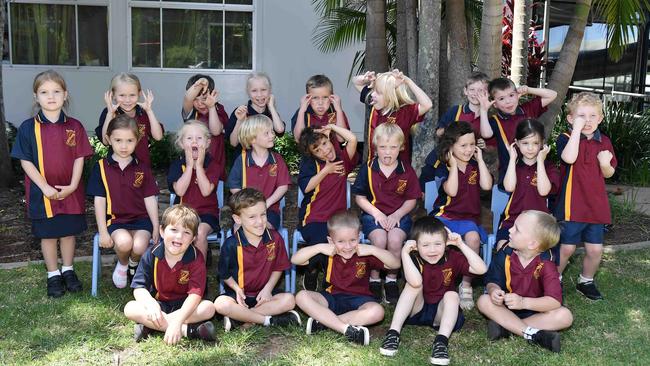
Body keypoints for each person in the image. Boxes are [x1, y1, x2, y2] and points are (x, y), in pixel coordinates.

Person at [11, 70, 93, 298]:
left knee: (68, 232)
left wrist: (74, 185)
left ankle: (68, 269)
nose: (51, 96)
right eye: (44, 92)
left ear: (65, 95)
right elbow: (24, 160)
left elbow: (80, 157)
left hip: (70, 191)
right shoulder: (29, 128)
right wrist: (44, 187)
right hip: (42, 192)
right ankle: (53, 274)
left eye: (56, 91)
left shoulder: (74, 126)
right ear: (36, 96)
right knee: (48, 235)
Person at [379, 217, 487, 365]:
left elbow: (481, 269)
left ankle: (441, 342)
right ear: (416, 246)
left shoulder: (452, 256)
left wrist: (461, 244)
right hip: (417, 310)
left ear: (446, 243)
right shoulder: (413, 257)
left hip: (442, 315)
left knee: (452, 295)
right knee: (412, 286)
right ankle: (393, 333)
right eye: (425, 245)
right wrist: (404, 253)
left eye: (438, 244)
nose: (432, 250)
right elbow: (416, 282)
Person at [292, 211, 401, 345]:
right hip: (331, 297)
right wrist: (319, 247)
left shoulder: (364, 253)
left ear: (359, 237)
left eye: (352, 240)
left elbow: (395, 263)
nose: (348, 247)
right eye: (341, 241)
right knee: (301, 296)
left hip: (360, 300)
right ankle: (344, 329)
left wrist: (374, 250)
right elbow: (295, 259)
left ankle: (324, 323)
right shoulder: (328, 253)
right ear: (331, 241)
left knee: (378, 312)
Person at [476, 210, 573, 353]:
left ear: (532, 244)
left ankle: (506, 328)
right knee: (484, 300)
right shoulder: (506, 252)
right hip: (505, 308)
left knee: (565, 316)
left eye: (517, 229)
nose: (510, 230)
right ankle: (532, 333)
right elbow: (492, 280)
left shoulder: (547, 264)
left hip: (536, 313)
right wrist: (493, 290)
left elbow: (554, 301)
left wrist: (523, 302)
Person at [554, 92, 617, 300]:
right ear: (571, 119)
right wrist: (577, 132)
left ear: (600, 119)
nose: (587, 121)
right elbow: (569, 158)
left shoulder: (604, 141)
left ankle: (586, 281)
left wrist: (605, 163)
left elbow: (609, 173)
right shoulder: (565, 139)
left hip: (596, 206)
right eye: (581, 116)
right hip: (572, 204)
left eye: (592, 116)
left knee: (595, 250)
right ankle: (554, 280)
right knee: (567, 248)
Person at [123, 205, 216, 344]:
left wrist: (177, 320)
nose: (179, 236)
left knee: (208, 308)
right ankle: (190, 331)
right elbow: (139, 287)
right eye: (173, 230)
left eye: (186, 232)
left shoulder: (196, 258)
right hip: (159, 304)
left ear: (193, 238)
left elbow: (195, 295)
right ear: (162, 231)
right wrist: (151, 305)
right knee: (130, 308)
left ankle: (152, 326)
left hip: (186, 307)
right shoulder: (151, 254)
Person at [87, 114, 160, 289]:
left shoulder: (142, 168)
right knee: (125, 243)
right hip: (116, 219)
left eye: (129, 141)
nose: (124, 146)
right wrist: (103, 231)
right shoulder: (102, 167)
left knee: (140, 245)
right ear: (109, 139)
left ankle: (134, 263)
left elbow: (150, 198)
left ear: (137, 141)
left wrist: (156, 226)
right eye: (118, 140)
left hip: (141, 219)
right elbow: (99, 202)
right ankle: (123, 264)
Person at [352, 123, 421, 304]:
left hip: (400, 215)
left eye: (393, 147)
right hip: (373, 214)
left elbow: (412, 199)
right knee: (380, 240)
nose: (387, 152)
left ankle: (391, 279)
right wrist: (377, 214)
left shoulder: (406, 170)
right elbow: (360, 197)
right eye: (383, 147)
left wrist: (397, 215)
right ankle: (374, 279)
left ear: (401, 147)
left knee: (395, 240)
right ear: (376, 147)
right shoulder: (368, 168)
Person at [214, 188, 301, 331]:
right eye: (252, 217)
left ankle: (242, 319)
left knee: (290, 300)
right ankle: (269, 320)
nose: (260, 221)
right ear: (237, 219)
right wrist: (236, 289)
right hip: (240, 296)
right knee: (220, 304)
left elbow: (279, 267)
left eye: (263, 214)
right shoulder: (231, 244)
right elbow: (224, 274)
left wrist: (268, 289)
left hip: (264, 296)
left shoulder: (275, 238)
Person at [428, 122, 492, 310]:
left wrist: (480, 160)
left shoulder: (475, 165)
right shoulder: (443, 167)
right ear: (450, 146)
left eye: (472, 144)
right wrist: (454, 165)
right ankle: (439, 283)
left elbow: (487, 186)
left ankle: (466, 285)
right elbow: (452, 191)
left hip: (468, 220)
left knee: (472, 238)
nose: (468, 149)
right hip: (444, 216)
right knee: (438, 238)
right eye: (463, 145)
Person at [297, 123, 359, 290]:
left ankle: (330, 279)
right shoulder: (313, 166)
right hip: (314, 217)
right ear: (312, 154)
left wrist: (331, 127)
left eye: (325, 143)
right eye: (317, 150)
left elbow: (352, 139)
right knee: (322, 239)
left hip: (337, 219)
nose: (324, 150)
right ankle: (312, 270)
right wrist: (326, 170)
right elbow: (306, 187)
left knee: (338, 240)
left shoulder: (342, 161)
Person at [479, 77, 557, 183]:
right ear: (495, 104)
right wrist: (483, 110)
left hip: (535, 172)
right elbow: (486, 134)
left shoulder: (527, 109)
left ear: (517, 95)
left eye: (511, 95)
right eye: (501, 99)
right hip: (509, 174)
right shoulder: (495, 121)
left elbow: (552, 95)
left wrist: (529, 90)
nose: (508, 101)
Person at [497, 119, 559, 250]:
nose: (530, 148)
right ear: (517, 143)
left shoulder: (549, 167)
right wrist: (512, 159)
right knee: (503, 248)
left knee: (539, 256)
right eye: (525, 143)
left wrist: (540, 162)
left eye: (535, 143)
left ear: (542, 143)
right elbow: (509, 187)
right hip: (512, 221)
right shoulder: (512, 165)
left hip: (539, 224)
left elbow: (544, 191)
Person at [167, 121, 222, 260]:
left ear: (208, 142)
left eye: (199, 138)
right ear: (181, 144)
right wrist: (190, 166)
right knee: (179, 233)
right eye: (189, 138)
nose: (194, 142)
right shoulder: (177, 165)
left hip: (207, 214)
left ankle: (199, 274)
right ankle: (180, 269)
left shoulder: (213, 165)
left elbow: (205, 191)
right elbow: (179, 191)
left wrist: (199, 166)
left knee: (199, 233)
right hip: (182, 213)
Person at [352, 69, 432, 164]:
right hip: (374, 168)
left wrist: (407, 81)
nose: (372, 94)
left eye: (378, 92)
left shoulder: (406, 112)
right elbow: (356, 81)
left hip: (399, 171)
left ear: (390, 96)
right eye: (374, 90)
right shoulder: (376, 103)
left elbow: (427, 105)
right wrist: (367, 79)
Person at [226, 114, 291, 230]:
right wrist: (246, 203)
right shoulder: (242, 160)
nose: (272, 135)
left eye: (272, 131)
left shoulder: (277, 160)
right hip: (245, 210)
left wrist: (267, 203)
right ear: (253, 139)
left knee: (263, 227)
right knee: (239, 228)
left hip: (269, 211)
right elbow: (234, 186)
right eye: (267, 133)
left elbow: (283, 186)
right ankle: (242, 249)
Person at [96, 73, 164, 167]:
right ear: (113, 95)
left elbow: (158, 136)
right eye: (122, 95)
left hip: (142, 168)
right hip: (117, 169)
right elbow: (105, 141)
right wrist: (110, 114)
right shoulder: (110, 113)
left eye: (132, 95)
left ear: (139, 94)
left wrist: (149, 111)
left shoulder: (143, 113)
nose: (127, 100)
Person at [181, 74, 230, 180]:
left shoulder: (218, 110)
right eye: (195, 99)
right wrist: (201, 83)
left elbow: (216, 131)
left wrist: (211, 107)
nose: (200, 103)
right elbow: (187, 98)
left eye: (204, 98)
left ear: (212, 95)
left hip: (216, 172)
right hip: (192, 171)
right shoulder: (192, 114)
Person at [225, 72, 285, 151]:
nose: (259, 95)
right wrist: (240, 121)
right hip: (244, 161)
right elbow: (233, 143)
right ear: (248, 92)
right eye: (254, 91)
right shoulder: (241, 112)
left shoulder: (271, 113)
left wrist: (271, 107)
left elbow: (280, 130)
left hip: (266, 161)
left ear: (269, 90)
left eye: (263, 90)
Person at [436, 71, 491, 146]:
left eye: (480, 90)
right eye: (472, 89)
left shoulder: (490, 115)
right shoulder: (455, 111)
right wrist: (451, 128)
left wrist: (485, 146)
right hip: (453, 155)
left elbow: (494, 146)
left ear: (488, 93)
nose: (476, 93)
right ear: (465, 91)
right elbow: (438, 133)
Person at [291, 74, 350, 142]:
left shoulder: (336, 112)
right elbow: (298, 139)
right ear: (308, 98)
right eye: (315, 98)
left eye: (325, 97)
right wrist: (301, 111)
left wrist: (339, 111)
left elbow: (341, 139)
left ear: (331, 97)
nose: (320, 103)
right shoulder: (303, 113)